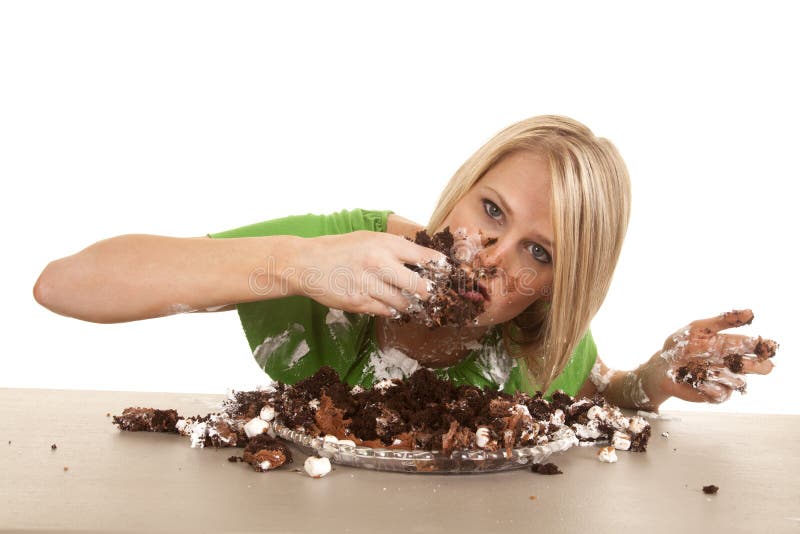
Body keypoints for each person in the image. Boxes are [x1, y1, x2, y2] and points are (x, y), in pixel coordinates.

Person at [32, 115, 776, 412]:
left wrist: (654, 378)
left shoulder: (533, 334)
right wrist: (297, 264)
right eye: (490, 210)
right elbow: (65, 284)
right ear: (461, 192)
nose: (491, 257)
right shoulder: (339, 249)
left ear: (558, 287)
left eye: (538, 252)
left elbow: (603, 389)